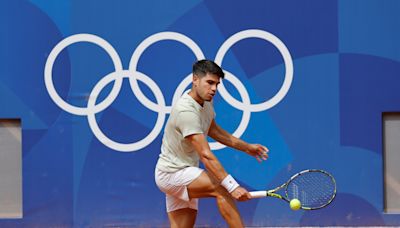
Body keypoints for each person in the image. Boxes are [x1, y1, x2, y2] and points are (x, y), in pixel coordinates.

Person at [155, 59, 269, 228]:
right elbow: (206, 155)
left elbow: (213, 130)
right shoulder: (186, 111)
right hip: (172, 173)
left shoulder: (206, 101)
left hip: (181, 171)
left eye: (217, 84)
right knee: (221, 187)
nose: (214, 89)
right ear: (195, 80)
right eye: (209, 83)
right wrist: (232, 186)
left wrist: (247, 147)